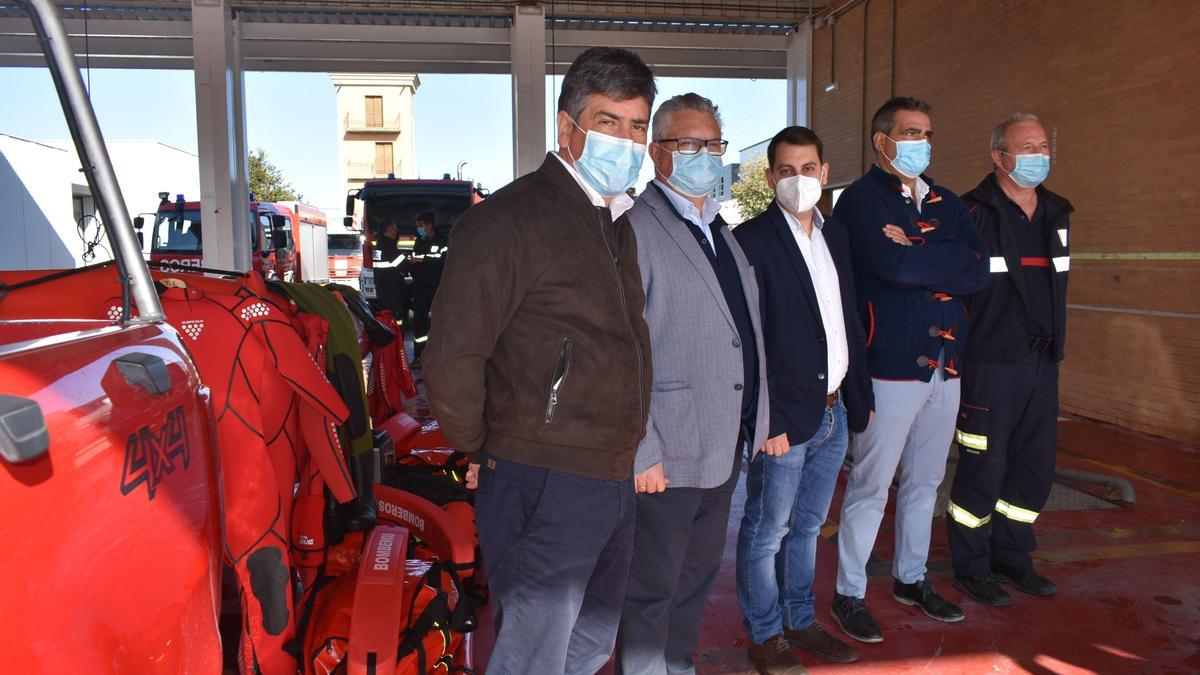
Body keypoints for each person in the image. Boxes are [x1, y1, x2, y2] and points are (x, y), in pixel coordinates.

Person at [422, 46, 655, 675]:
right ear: (567, 127)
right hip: (543, 476)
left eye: (638, 126)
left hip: (610, 474)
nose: (627, 141)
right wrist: (478, 447)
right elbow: (454, 355)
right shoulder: (508, 221)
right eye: (609, 122)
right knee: (532, 656)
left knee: (589, 645)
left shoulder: (615, 222)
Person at [616, 93, 770, 675]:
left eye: (712, 144)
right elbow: (625, 350)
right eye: (687, 143)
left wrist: (761, 420)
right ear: (657, 152)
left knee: (695, 580)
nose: (702, 155)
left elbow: (744, 331)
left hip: (721, 445)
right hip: (666, 453)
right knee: (651, 587)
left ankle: (675, 666)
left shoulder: (720, 230)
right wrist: (643, 448)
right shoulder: (635, 229)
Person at [830, 96, 990, 643]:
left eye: (927, 132)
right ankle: (849, 593)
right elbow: (893, 267)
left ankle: (911, 579)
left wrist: (921, 244)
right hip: (892, 365)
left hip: (947, 367)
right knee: (872, 485)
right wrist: (936, 252)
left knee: (926, 481)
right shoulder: (862, 199)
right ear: (883, 141)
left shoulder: (946, 199)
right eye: (912, 132)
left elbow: (980, 267)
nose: (923, 142)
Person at [733, 126, 875, 673]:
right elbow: (748, 340)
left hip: (833, 411)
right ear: (771, 179)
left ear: (824, 172)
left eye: (808, 168)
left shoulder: (836, 236)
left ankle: (799, 618)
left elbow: (848, 320)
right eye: (787, 171)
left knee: (809, 526)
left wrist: (855, 401)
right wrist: (763, 418)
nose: (799, 180)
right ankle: (765, 634)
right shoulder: (751, 241)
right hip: (784, 420)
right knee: (766, 530)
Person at [947, 113, 1072, 606]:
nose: (1039, 154)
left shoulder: (1057, 214)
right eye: (1027, 146)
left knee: (1033, 469)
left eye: (1044, 144)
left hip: (1043, 365)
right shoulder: (969, 215)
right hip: (989, 367)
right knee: (983, 468)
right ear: (999, 156)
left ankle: (1013, 558)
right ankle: (972, 566)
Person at [408, 210, 448, 363]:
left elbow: (442, 260)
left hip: (437, 287)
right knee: (419, 325)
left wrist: (422, 259)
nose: (419, 229)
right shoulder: (419, 241)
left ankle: (440, 357)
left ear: (430, 225)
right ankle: (419, 356)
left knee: (440, 322)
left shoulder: (442, 241)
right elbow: (415, 260)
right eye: (417, 226)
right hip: (420, 288)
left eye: (421, 225)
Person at [371, 220, 408, 321]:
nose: (396, 232)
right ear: (389, 230)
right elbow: (403, 265)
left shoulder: (377, 246)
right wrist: (406, 257)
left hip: (382, 288)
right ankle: (397, 334)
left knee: (385, 315)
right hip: (393, 289)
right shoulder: (389, 246)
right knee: (396, 318)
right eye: (394, 229)